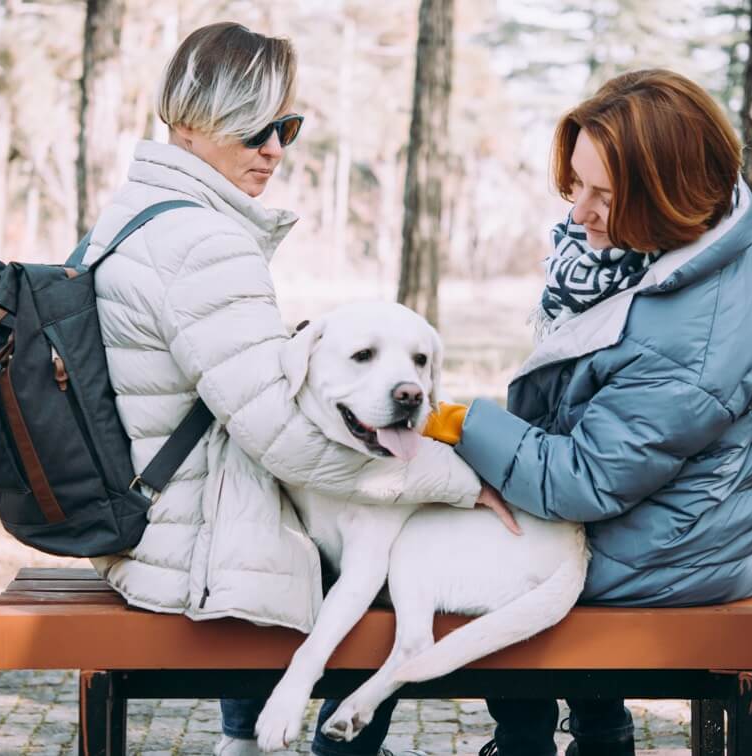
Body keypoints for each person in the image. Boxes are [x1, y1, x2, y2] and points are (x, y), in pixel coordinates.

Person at [79, 21, 498, 756]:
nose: (275, 147)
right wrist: (456, 482)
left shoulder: (131, 214)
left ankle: (245, 738)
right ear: (189, 119)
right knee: (381, 554)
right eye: (255, 127)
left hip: (144, 518)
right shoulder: (203, 242)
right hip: (188, 549)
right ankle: (338, 746)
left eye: (288, 126)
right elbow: (282, 439)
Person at [419, 69, 752, 755]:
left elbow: (583, 483)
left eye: (603, 194)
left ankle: (523, 741)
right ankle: (599, 730)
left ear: (667, 193)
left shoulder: (696, 335)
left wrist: (456, 422)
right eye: (575, 184)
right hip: (697, 515)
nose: (577, 211)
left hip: (685, 548)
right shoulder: (711, 233)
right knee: (499, 512)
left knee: (477, 550)